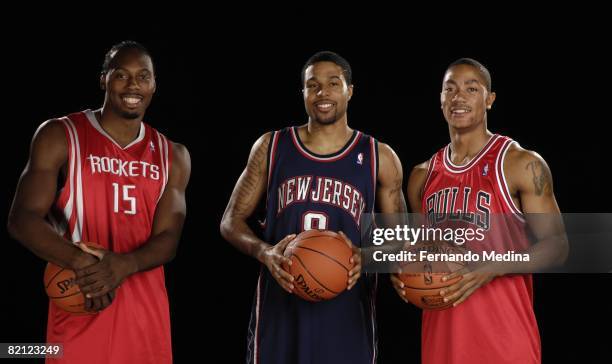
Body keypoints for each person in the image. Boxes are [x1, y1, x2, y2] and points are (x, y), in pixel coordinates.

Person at [7, 40, 191, 364]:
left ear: (154, 85)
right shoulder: (60, 134)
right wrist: (81, 262)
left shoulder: (173, 155)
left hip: (146, 323)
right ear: (104, 79)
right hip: (80, 308)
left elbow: (169, 239)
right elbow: (22, 219)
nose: (133, 85)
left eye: (143, 76)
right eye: (122, 75)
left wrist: (125, 265)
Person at [220, 51, 406, 364]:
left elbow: (402, 240)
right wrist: (264, 252)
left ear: (350, 90)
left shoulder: (380, 157)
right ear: (303, 93)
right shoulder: (272, 146)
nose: (323, 93)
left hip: (347, 319)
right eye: (313, 85)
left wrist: (366, 257)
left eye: (333, 84)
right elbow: (230, 222)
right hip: (280, 314)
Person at [391, 58, 568, 363]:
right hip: (441, 345)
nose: (459, 97)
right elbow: (423, 249)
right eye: (450, 89)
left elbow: (558, 246)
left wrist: (493, 266)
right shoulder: (422, 175)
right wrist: (404, 268)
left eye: (471, 88)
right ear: (441, 99)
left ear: (489, 99)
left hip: (505, 342)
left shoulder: (519, 163)